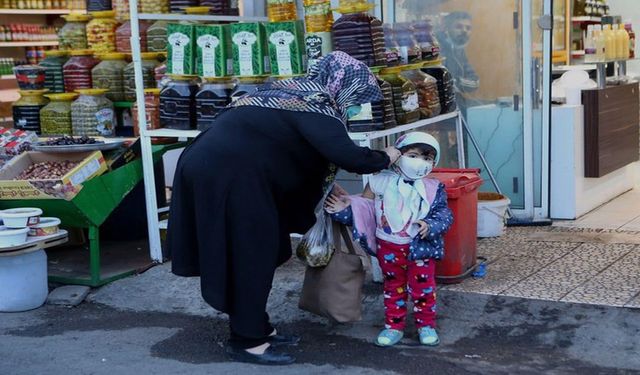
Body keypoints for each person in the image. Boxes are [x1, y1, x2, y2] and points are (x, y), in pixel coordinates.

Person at [167, 51, 402, 366]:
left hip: (217, 170)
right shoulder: (316, 104)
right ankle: (247, 342)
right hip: (232, 178)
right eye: (357, 96)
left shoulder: (286, 91)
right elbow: (351, 158)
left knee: (256, 251)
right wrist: (389, 154)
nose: (356, 105)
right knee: (251, 255)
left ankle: (256, 327)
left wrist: (327, 185)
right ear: (342, 85)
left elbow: (284, 144)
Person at [325, 132, 453, 347]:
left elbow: (444, 214)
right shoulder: (378, 182)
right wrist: (341, 210)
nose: (420, 162)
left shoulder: (433, 188)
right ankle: (394, 326)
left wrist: (430, 226)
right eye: (413, 155)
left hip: (420, 249)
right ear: (397, 156)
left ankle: (426, 325)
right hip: (389, 247)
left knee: (424, 290)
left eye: (428, 158)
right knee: (393, 288)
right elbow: (363, 210)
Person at [437, 11, 479, 112]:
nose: (464, 31)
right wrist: (457, 82)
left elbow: (475, 82)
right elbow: (440, 83)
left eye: (468, 28)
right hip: (440, 108)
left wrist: (456, 81)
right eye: (459, 27)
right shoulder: (437, 49)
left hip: (456, 104)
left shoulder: (458, 50)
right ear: (446, 29)